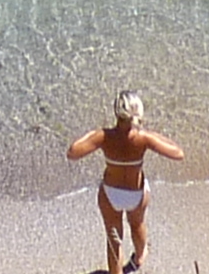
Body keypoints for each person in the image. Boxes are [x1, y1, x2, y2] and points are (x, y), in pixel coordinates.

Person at [68, 93, 185, 274]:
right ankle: (138, 258)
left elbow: (73, 153)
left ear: (116, 112)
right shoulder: (143, 138)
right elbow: (178, 153)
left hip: (110, 193)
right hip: (136, 194)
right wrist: (153, 135)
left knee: (114, 238)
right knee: (137, 224)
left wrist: (95, 133)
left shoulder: (104, 136)